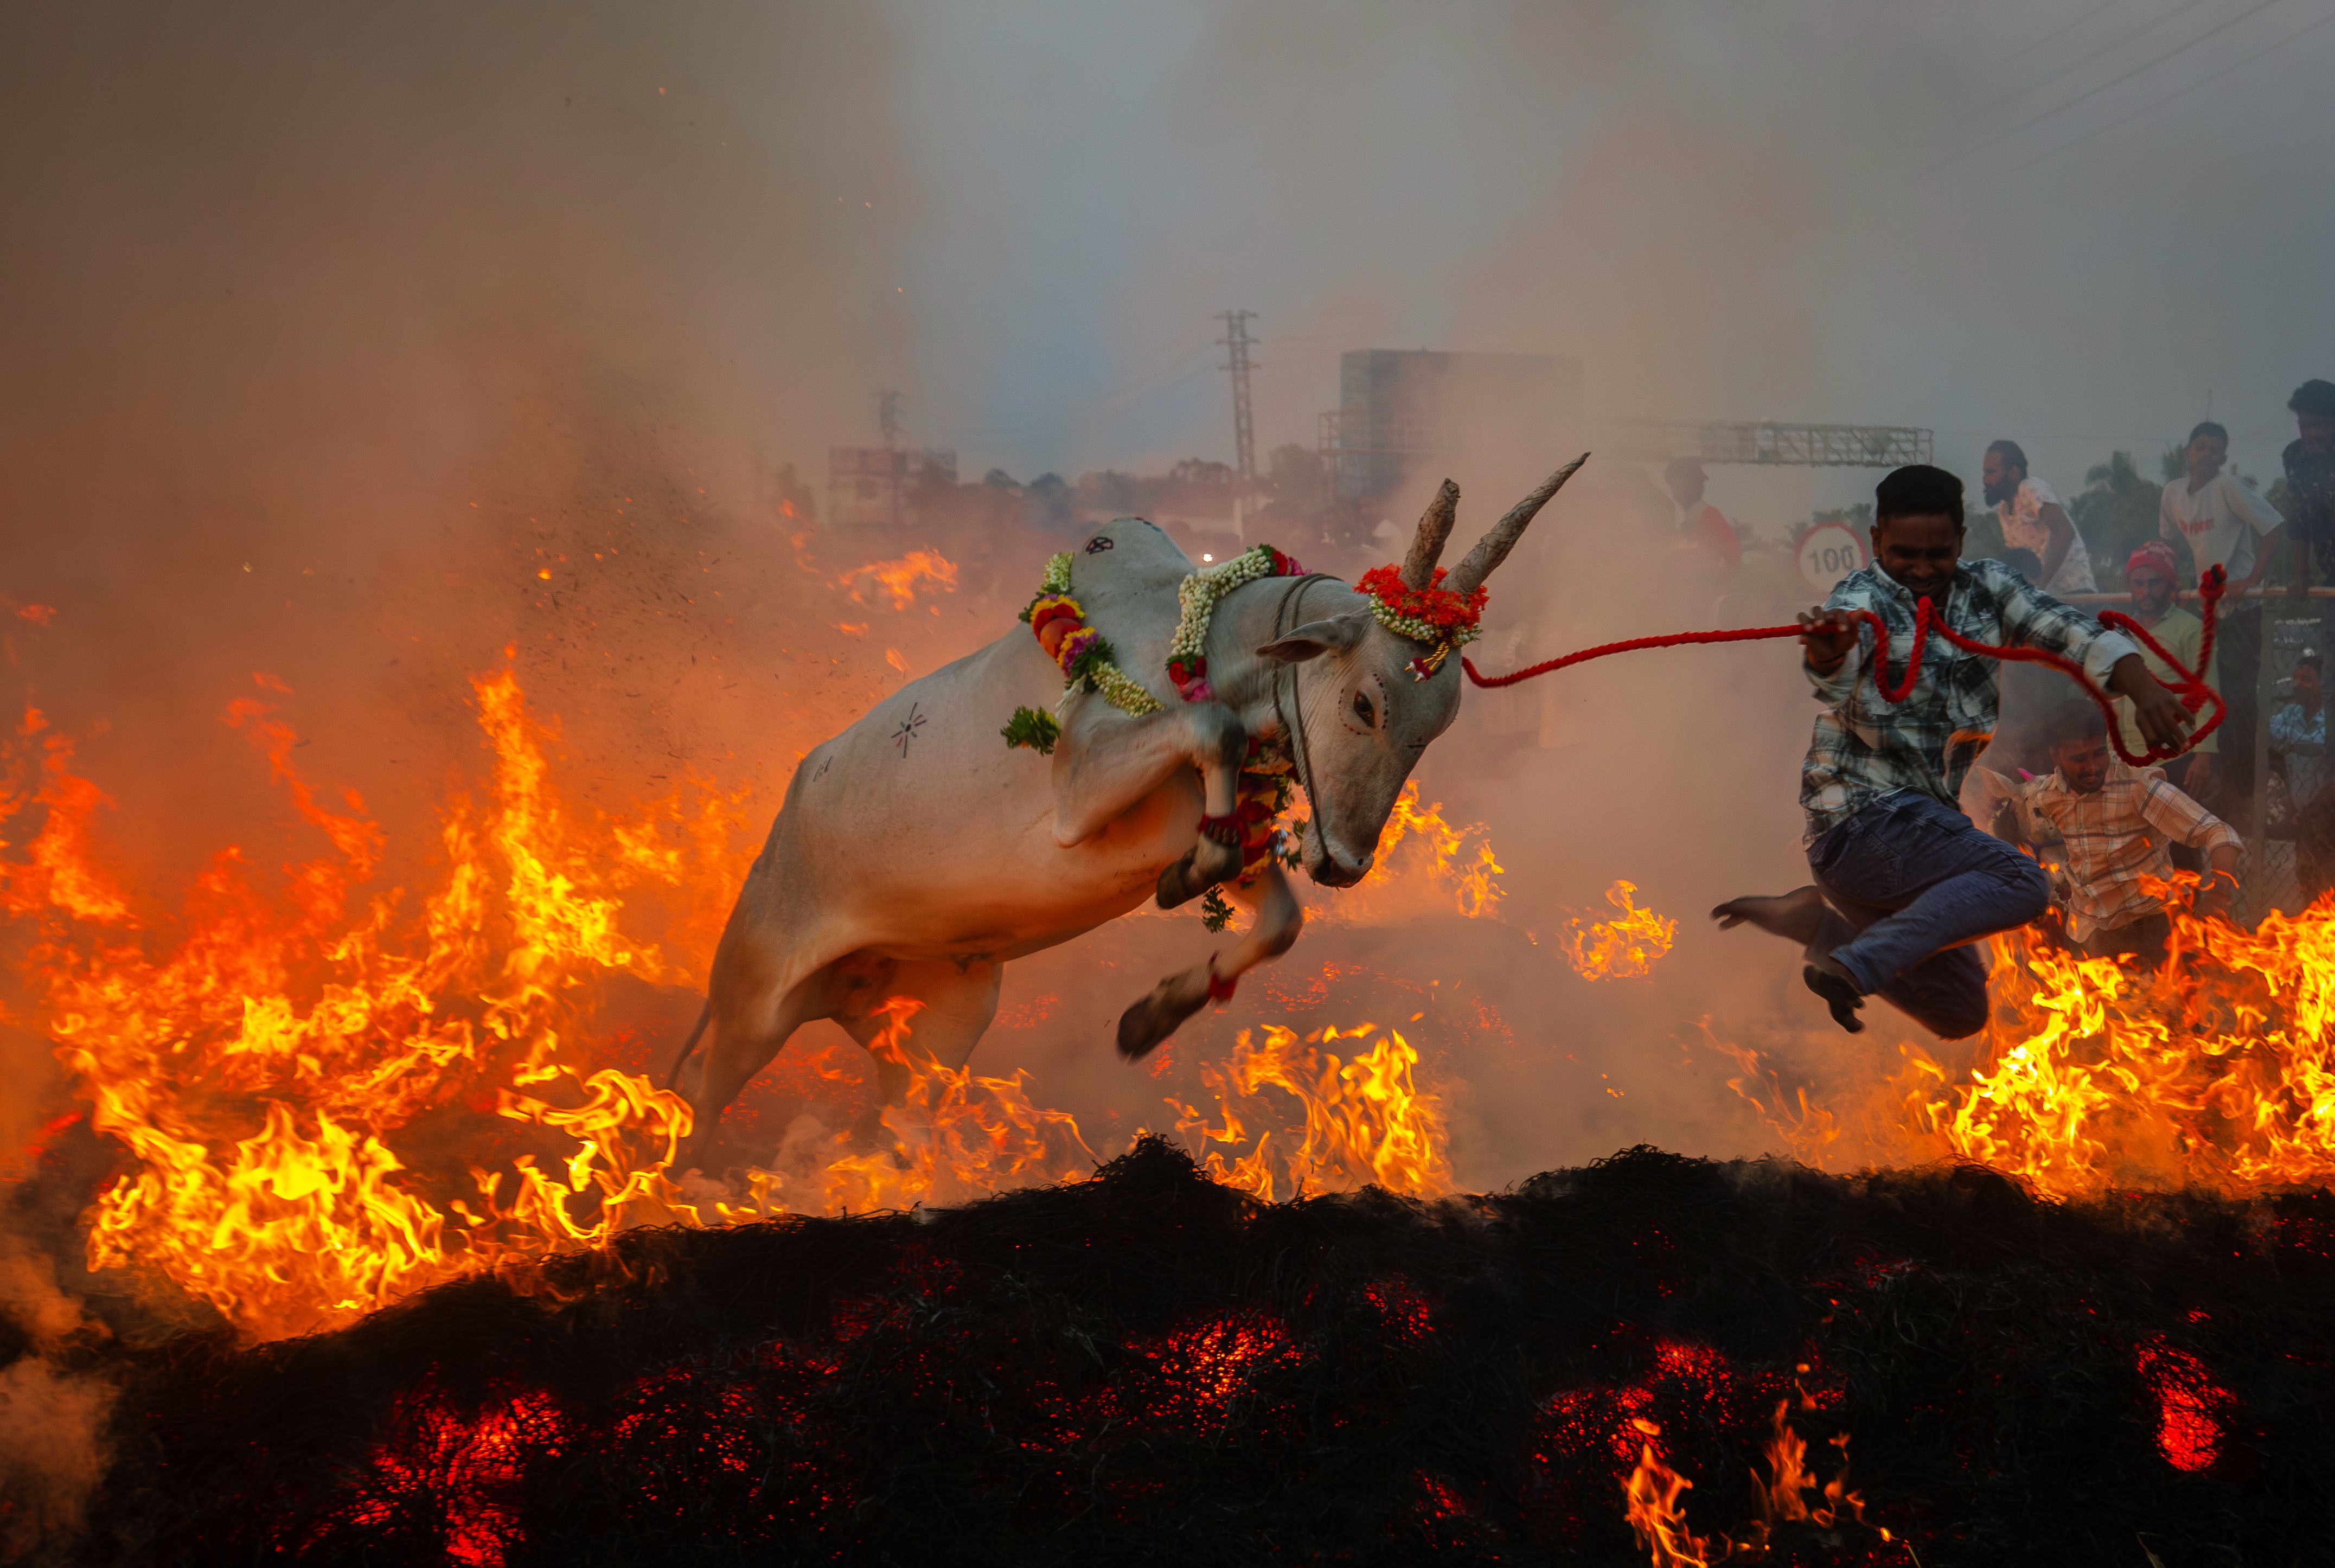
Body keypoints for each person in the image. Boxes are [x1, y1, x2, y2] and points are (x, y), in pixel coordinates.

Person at [1712, 464, 2195, 1038]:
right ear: (1876, 541)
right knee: (2023, 881)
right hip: (1859, 823)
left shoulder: (1989, 588)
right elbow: (1835, 679)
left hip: (1911, 840)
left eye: (1936, 554)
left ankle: (1822, 931)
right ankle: (1854, 961)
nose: (1920, 570)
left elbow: (2068, 629)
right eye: (1903, 553)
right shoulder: (1860, 597)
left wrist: (2142, 687)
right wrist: (1827, 656)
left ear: (1960, 542)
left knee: (1958, 1012)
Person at [2012, 701, 2240, 968]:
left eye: (2099, 753)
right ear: (2057, 757)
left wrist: (2218, 895)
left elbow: (2219, 833)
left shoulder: (2138, 787)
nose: (2093, 767)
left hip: (2152, 933)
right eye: (2079, 759)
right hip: (2088, 938)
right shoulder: (2047, 796)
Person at [2117, 541, 2218, 804]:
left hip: (2176, 760)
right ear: (2130, 586)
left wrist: (2204, 756)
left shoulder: (2191, 630)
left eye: (2155, 582)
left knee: (2181, 842)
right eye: (2138, 584)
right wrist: (2109, 752)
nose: (2146, 591)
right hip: (2126, 759)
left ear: (2171, 584)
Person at [1984, 439, 2095, 594]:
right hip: (2047, 600)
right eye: (1985, 473)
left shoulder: (2030, 488)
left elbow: (2065, 532)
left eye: (1991, 472)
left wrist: (2041, 585)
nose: (1986, 480)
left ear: (2014, 473)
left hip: (2073, 592)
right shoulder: (2004, 510)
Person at [2271, 653, 2335, 905]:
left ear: (2324, 683)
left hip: (2329, 814)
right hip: (2305, 816)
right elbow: (2267, 737)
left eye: (2306, 679)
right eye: (2296, 679)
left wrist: (2293, 744)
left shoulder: (2330, 719)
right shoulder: (2290, 714)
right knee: (2309, 879)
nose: (2298, 685)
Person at [2282, 380, 2335, 591]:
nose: (2312, 434)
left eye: (2321, 425)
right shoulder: (2295, 456)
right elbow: (2298, 517)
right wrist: (2301, 574)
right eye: (2305, 426)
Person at [1663, 458, 1742, 579]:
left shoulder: (1708, 515)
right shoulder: (1691, 520)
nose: (1674, 493)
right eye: (1673, 486)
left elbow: (1729, 556)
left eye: (1675, 485)